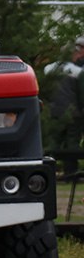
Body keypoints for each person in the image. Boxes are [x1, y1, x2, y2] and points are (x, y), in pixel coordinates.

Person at [42, 36, 84, 176]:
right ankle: (71, 172)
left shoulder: (49, 69)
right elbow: (80, 94)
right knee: (72, 142)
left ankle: (48, 170)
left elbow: (45, 90)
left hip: (53, 111)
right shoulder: (77, 72)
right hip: (73, 113)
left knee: (54, 142)